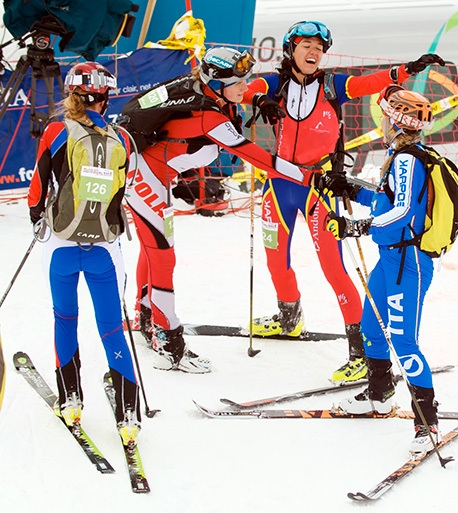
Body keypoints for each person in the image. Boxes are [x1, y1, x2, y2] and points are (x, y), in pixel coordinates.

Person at [243, 20, 444, 382]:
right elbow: (245, 90)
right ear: (291, 49)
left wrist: (406, 69)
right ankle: (289, 317)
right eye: (306, 45)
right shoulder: (275, 82)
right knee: (276, 260)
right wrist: (259, 98)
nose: (313, 53)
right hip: (278, 184)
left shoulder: (332, 85)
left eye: (319, 48)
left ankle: (358, 352)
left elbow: (368, 83)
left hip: (319, 184)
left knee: (334, 268)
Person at [126, 47, 284, 373]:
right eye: (238, 82)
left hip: (153, 174)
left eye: (246, 81)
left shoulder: (208, 91)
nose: (245, 87)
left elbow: (238, 93)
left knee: (152, 249)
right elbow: (256, 157)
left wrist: (257, 100)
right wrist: (309, 175)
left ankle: (147, 317)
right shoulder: (209, 116)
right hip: (141, 175)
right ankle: (169, 344)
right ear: (216, 82)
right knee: (163, 255)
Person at [27, 62, 141, 444]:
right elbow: (123, 192)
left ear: (71, 94)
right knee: (111, 328)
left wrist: (36, 218)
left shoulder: (56, 131)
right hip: (105, 248)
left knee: (65, 319)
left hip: (61, 245)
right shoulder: (122, 139)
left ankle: (71, 399)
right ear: (106, 97)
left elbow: (37, 188)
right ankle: (128, 417)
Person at [325, 86, 441, 455]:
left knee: (404, 341)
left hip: (409, 262)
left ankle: (427, 423)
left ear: (397, 119)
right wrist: (349, 187)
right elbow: (384, 199)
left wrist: (357, 227)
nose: (382, 121)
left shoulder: (408, 158)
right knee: (372, 327)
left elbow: (405, 210)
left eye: (386, 115)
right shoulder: (399, 154)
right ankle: (379, 393)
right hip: (389, 258)